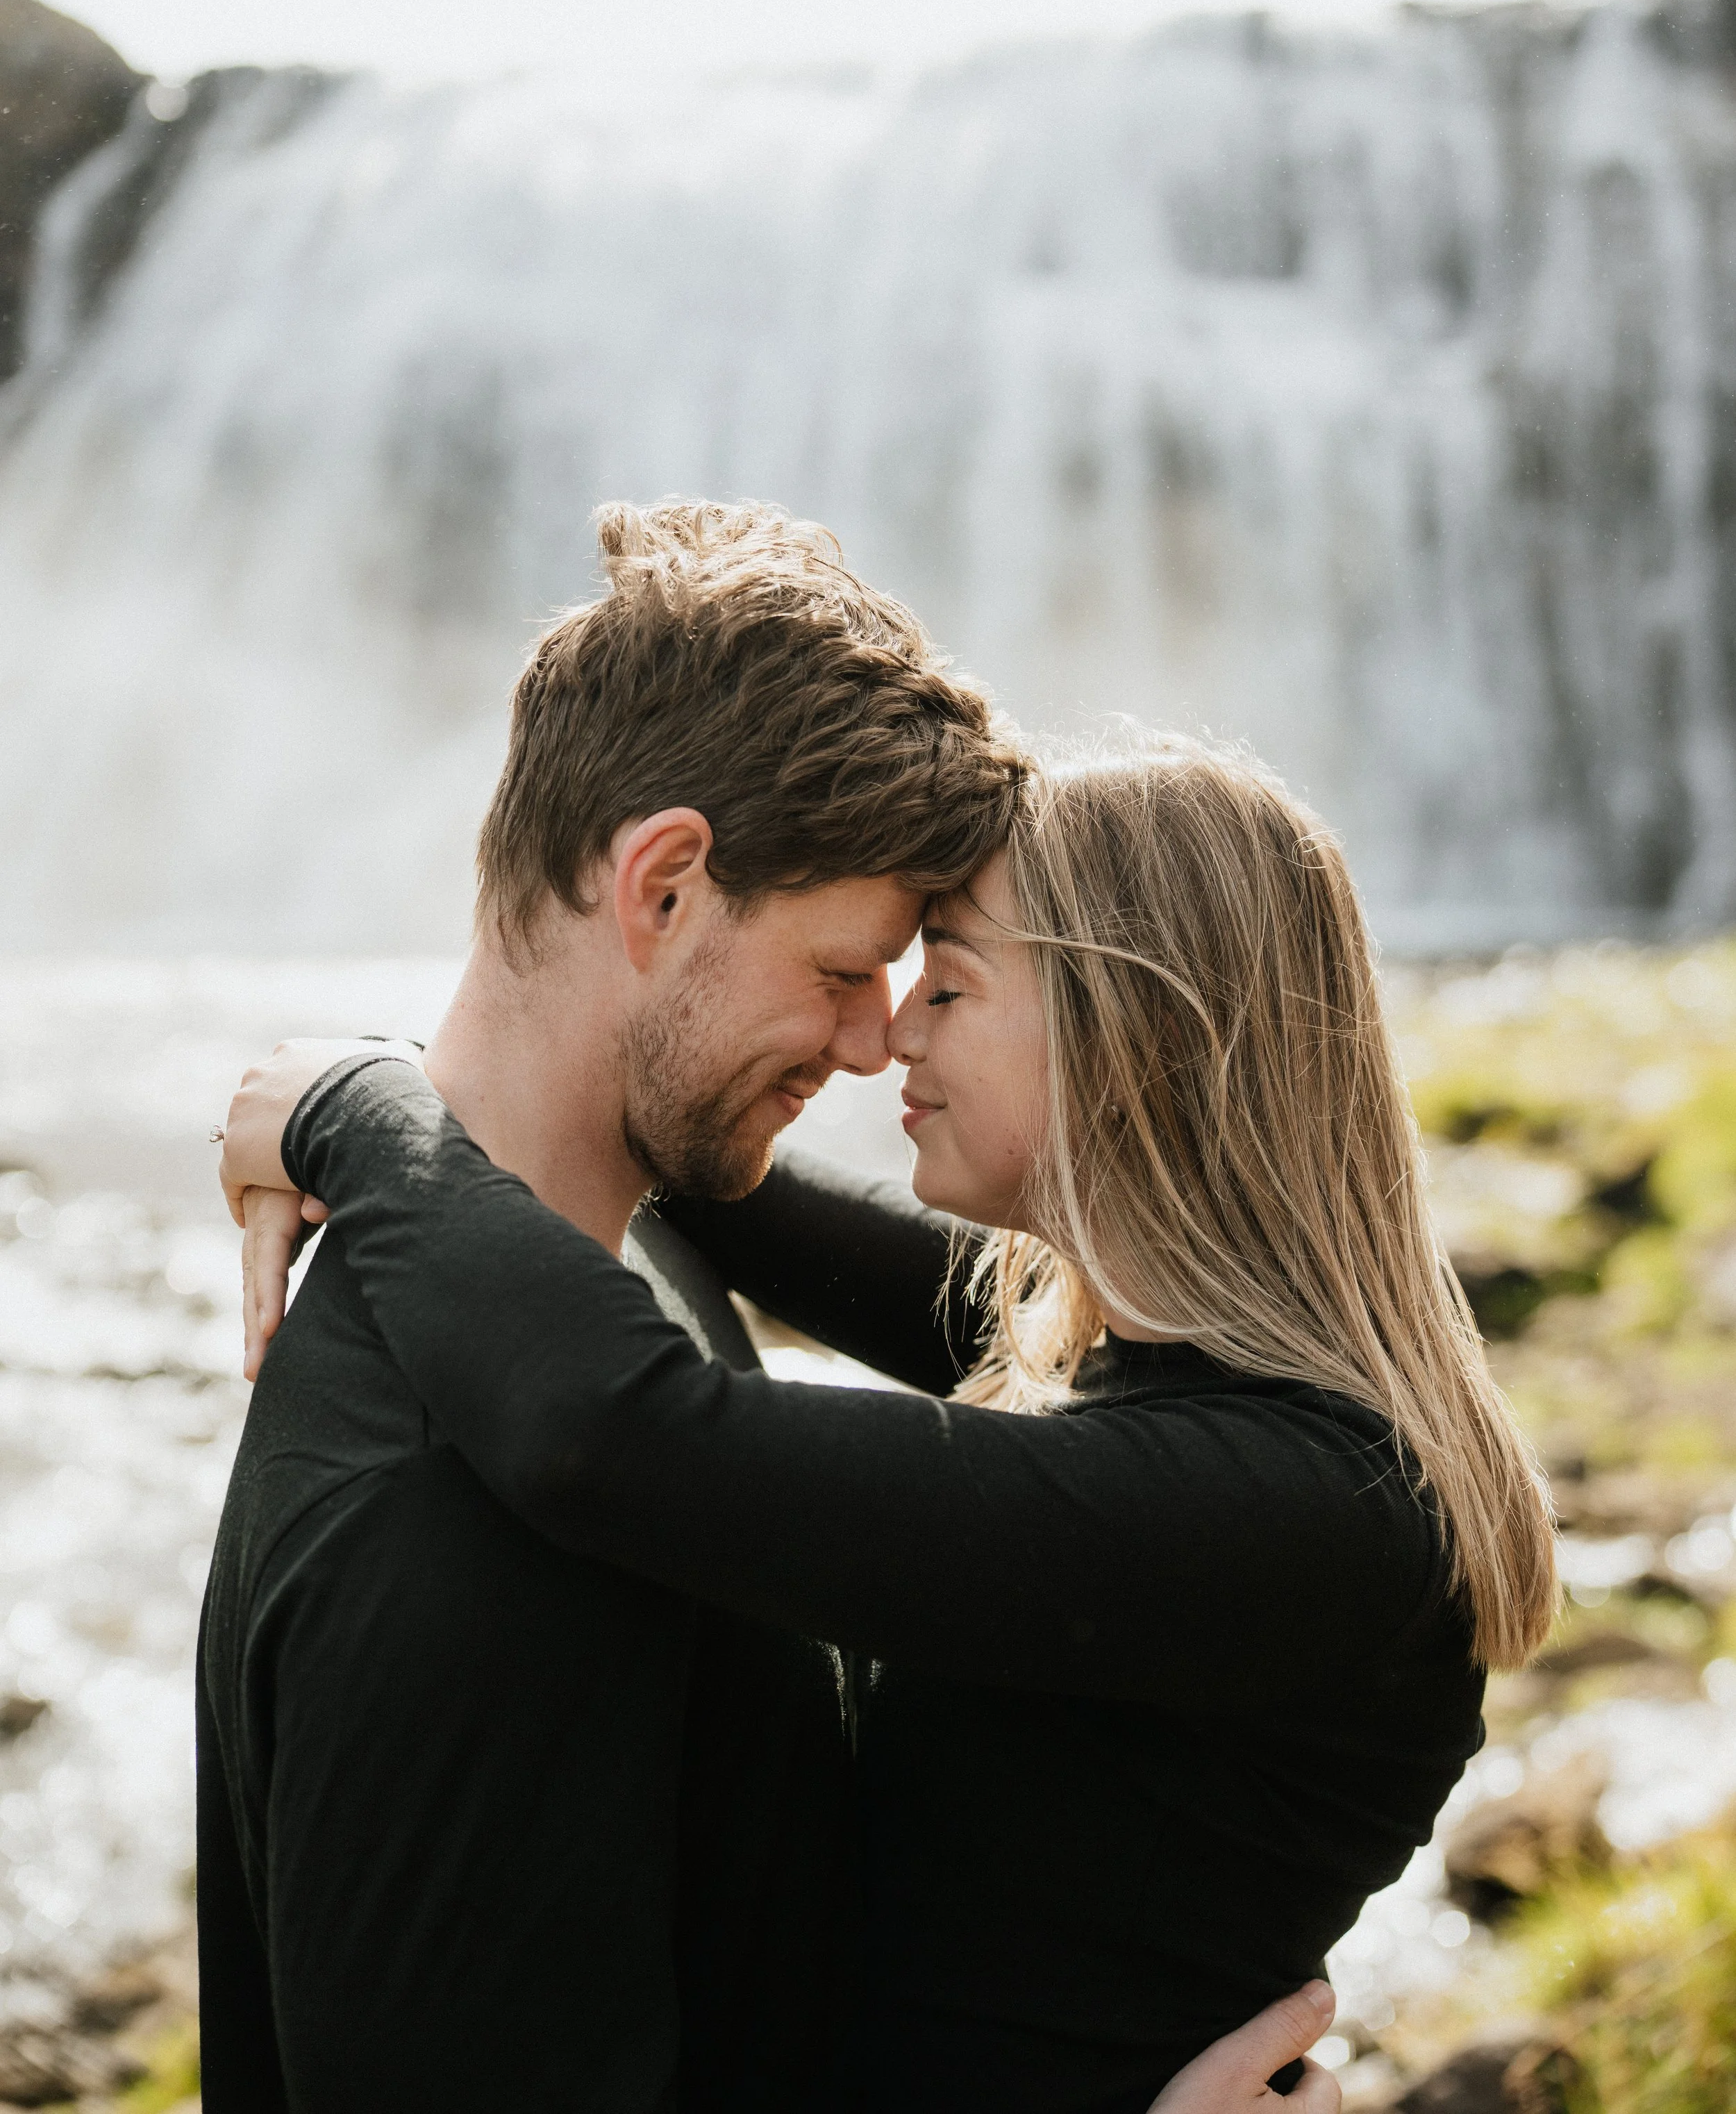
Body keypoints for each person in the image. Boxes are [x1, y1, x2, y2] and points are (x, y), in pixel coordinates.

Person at [226, 732, 1560, 2111]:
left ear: (1135, 1046)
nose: (891, 1034)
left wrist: (354, 1116)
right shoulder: (1200, 1392)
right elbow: (712, 1175)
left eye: (952, 981)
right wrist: (469, 1071)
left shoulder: (1283, 1511)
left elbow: (615, 1434)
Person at [197, 498, 1026, 2113]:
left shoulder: (625, 1258)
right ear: (660, 889)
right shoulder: (452, 1534)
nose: (872, 1047)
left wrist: (340, 1100)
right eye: (841, 968)